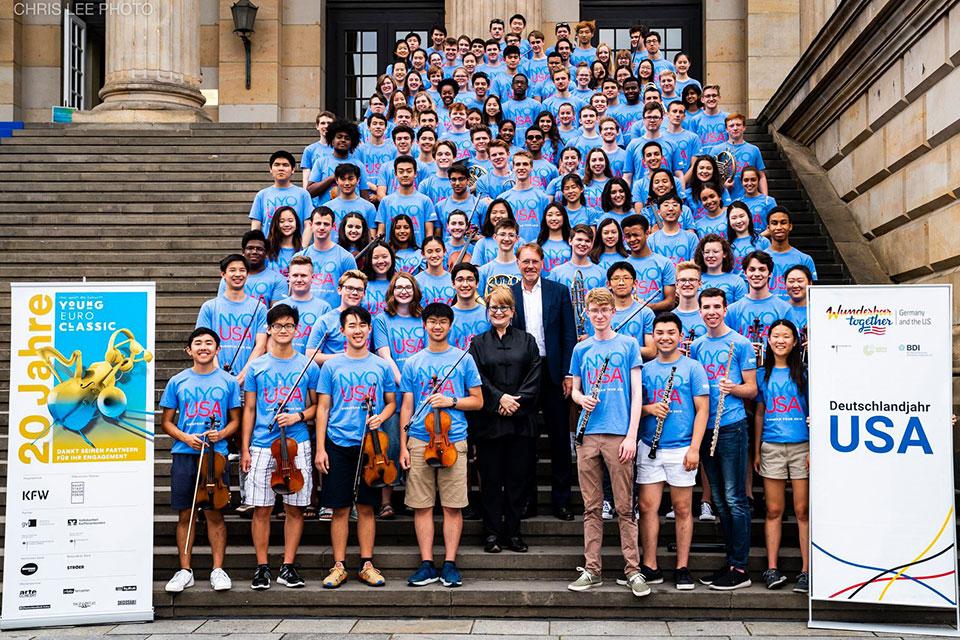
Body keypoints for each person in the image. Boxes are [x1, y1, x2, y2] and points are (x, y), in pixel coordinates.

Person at [567, 287, 649, 597]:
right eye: (594, 311)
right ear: (587, 313)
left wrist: (631, 436)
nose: (599, 316)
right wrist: (581, 397)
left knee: (625, 507)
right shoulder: (582, 348)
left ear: (613, 312)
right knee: (591, 508)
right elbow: (574, 389)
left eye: (605, 310)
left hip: (619, 434)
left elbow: (637, 394)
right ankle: (592, 569)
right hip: (588, 434)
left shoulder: (628, 344)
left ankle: (633, 570)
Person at [399, 303, 483, 587]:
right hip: (420, 440)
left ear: (450, 325)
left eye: (443, 322)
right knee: (421, 506)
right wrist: (403, 445)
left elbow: (478, 401)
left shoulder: (463, 360)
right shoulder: (412, 362)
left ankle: (449, 563)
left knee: (452, 506)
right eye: (432, 321)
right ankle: (426, 563)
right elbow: (407, 405)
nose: (437, 326)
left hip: (453, 440)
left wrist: (451, 401)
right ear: (424, 325)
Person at [315, 305, 397, 588]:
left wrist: (381, 417)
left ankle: (366, 564)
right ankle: (339, 565)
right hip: (338, 442)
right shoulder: (332, 365)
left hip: (370, 447)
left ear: (369, 329)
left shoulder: (381, 365)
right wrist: (320, 448)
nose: (358, 330)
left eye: (363, 325)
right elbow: (323, 408)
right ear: (342, 331)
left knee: (366, 506)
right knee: (338, 508)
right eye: (352, 325)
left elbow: (391, 402)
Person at [241, 303, 320, 590]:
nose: (284, 330)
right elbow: (249, 409)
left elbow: (317, 407)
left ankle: (288, 566)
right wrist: (246, 448)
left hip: (297, 443)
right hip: (263, 443)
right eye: (278, 326)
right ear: (269, 329)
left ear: (296, 329)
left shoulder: (307, 365)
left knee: (295, 507)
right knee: (261, 508)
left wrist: (298, 415)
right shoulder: (257, 366)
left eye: (289, 326)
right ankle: (262, 567)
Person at [161, 328, 242, 593]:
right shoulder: (177, 381)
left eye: (209, 343)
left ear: (218, 349)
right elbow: (166, 422)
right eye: (198, 343)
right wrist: (185, 438)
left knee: (214, 513)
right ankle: (185, 570)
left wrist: (221, 434)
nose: (203, 347)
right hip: (185, 454)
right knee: (186, 513)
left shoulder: (228, 382)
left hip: (214, 457)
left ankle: (218, 569)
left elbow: (235, 421)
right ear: (189, 350)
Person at [689, 288, 758, 590]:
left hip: (731, 425)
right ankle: (730, 561)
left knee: (734, 498)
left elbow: (753, 390)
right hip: (705, 426)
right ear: (700, 311)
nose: (712, 312)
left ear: (725, 309)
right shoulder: (698, 345)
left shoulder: (740, 343)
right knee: (717, 498)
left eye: (717, 306)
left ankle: (740, 568)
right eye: (706, 307)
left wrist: (734, 388)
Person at [637, 312, 710, 591]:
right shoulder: (644, 369)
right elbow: (634, 408)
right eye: (660, 333)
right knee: (647, 508)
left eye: (671, 333)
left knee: (682, 508)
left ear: (680, 336)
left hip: (682, 447)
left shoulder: (693, 367)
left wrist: (694, 448)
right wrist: (649, 409)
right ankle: (650, 566)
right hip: (649, 446)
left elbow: (703, 410)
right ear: (653, 336)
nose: (665, 338)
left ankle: (682, 567)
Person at [469, 287, 542, 553]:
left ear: (513, 312)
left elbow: (535, 375)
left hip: (521, 421)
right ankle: (491, 533)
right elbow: (477, 378)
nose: (498, 312)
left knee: (517, 480)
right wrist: (499, 398)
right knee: (490, 479)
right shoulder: (477, 343)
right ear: (487, 312)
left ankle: (513, 532)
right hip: (489, 422)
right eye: (493, 308)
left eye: (504, 308)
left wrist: (515, 402)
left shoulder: (528, 340)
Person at [510, 243, 578, 521]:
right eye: (525, 261)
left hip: (552, 371)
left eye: (534, 261)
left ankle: (561, 502)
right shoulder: (509, 294)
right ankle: (527, 502)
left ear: (542, 263)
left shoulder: (558, 291)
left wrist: (568, 373)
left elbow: (568, 335)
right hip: (521, 374)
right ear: (517, 263)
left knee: (560, 439)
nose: (529, 266)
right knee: (525, 441)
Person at [754, 319, 809, 594]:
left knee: (802, 510)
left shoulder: (806, 374)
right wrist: (756, 449)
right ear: (769, 340)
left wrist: (813, 448)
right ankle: (772, 568)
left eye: (786, 336)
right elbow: (761, 413)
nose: (780, 341)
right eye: (775, 336)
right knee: (774, 510)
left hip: (801, 446)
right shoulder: (762, 374)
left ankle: (806, 570)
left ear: (795, 341)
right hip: (772, 446)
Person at [196, 254, 268, 383]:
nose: (238, 274)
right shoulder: (209, 307)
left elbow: (261, 346)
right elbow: (204, 343)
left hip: (249, 380)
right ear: (223, 274)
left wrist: (243, 375)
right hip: (214, 379)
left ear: (248, 274)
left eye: (242, 270)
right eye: (232, 270)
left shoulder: (260, 308)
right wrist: (218, 374)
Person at [726, 250, 793, 355]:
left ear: (770, 273)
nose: (756, 274)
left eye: (762, 269)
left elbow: (792, 345)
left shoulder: (784, 308)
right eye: (752, 269)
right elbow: (726, 345)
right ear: (745, 273)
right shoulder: (732, 310)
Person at [296, 207, 359, 309]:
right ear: (311, 225)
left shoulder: (346, 257)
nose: (321, 227)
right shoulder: (300, 256)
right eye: (318, 223)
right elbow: (292, 291)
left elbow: (353, 291)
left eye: (326, 224)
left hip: (335, 317)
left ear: (333, 226)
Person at [306, 270, 370, 365]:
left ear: (364, 293)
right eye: (349, 288)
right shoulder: (325, 321)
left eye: (359, 289)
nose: (355, 292)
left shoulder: (368, 319)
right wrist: (347, 356)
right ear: (339, 290)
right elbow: (310, 355)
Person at [250, 150, 314, 241]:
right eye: (277, 165)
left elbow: (308, 224)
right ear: (270, 169)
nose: (281, 168)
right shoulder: (262, 195)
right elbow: (256, 226)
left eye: (285, 165)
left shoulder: (303, 194)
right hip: (270, 250)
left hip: (297, 249)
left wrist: (302, 249)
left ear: (293, 170)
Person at [274, 255, 333, 354]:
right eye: (295, 275)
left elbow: (327, 344)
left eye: (303, 275)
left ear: (312, 278)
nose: (299, 279)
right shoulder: (278, 306)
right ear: (289, 277)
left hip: (311, 367)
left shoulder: (324, 308)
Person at [377, 156, 438, 248]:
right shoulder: (386, 201)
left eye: (409, 171)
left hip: (418, 254)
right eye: (401, 171)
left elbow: (429, 234)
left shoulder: (425, 201)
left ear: (415, 173)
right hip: (392, 255)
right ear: (395, 174)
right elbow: (381, 233)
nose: (405, 175)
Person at [217, 230, 288, 307]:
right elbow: (222, 307)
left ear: (267, 254)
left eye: (259, 249)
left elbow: (277, 313)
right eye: (250, 248)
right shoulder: (230, 278)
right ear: (243, 252)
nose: (254, 252)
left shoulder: (278, 280)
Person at [622, 214, 677, 313]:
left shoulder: (665, 263)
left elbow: (670, 302)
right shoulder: (621, 267)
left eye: (636, 235)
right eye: (628, 236)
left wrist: (646, 307)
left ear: (647, 233)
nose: (632, 239)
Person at [601, 261, 656, 360]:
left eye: (626, 278)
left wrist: (622, 345)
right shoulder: (601, 313)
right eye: (616, 278)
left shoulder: (646, 313)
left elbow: (651, 351)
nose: (621, 283)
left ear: (635, 283)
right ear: (608, 284)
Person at [707, 113, 765, 201]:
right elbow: (710, 177)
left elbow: (761, 176)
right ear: (726, 129)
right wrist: (722, 187)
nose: (735, 128)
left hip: (749, 198)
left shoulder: (754, 150)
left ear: (744, 127)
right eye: (731, 126)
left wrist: (764, 198)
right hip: (724, 198)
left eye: (738, 125)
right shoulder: (716, 150)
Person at [765, 207, 818, 300]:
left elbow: (813, 293)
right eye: (774, 223)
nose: (779, 227)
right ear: (768, 228)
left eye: (783, 222)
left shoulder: (805, 259)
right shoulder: (761, 259)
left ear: (790, 226)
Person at [502, 151, 551, 244]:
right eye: (518, 164)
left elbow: (547, 226)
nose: (521, 167)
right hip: (511, 247)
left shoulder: (542, 197)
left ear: (531, 167)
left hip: (537, 247)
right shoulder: (504, 198)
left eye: (525, 164)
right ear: (513, 167)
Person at [548, 223, 607, 296]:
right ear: (570, 241)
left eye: (587, 241)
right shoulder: (556, 273)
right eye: (579, 239)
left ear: (591, 244)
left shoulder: (602, 273)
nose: (583, 244)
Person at [694, 234, 748, 304]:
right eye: (707, 252)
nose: (710, 255)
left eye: (715, 252)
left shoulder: (737, 281)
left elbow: (741, 309)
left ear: (724, 254)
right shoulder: (695, 280)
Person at [326, 163, 378, 235]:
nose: (347, 183)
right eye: (343, 179)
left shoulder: (369, 207)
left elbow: (372, 237)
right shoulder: (327, 207)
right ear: (336, 180)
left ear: (358, 180)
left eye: (351, 179)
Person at [648, 193, 699, 266]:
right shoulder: (651, 239)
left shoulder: (691, 238)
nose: (671, 208)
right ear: (658, 212)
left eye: (675, 205)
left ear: (681, 211)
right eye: (666, 205)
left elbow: (694, 264)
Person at [449, 262, 491, 350]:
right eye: (460, 280)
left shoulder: (489, 314)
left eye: (470, 279)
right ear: (453, 284)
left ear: (477, 283)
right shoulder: (447, 316)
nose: (465, 284)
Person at [477, 219, 522, 297]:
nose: (506, 239)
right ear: (495, 237)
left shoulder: (523, 268)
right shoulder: (483, 271)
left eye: (511, 235)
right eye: (502, 234)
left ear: (517, 239)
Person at [727, 200, 771, 274]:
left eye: (741, 216)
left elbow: (770, 268)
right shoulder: (727, 245)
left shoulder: (763, 242)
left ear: (749, 217)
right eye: (734, 218)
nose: (738, 221)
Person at [265, 205, 303, 277]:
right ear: (276, 224)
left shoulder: (303, 251)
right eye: (282, 221)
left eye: (290, 221)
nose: (286, 224)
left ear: (296, 224)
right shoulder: (267, 250)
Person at [416, 236, 455, 305]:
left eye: (438, 251)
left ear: (444, 252)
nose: (434, 255)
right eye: (429, 252)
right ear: (423, 254)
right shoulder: (416, 281)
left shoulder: (454, 279)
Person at [302, 111, 335, 188]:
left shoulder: (341, 148)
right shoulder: (309, 150)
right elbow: (306, 176)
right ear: (317, 126)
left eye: (329, 123)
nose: (326, 126)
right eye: (323, 123)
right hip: (316, 194)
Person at [363, 241, 396, 316]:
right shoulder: (361, 284)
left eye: (384, 257)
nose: (381, 261)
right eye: (375, 257)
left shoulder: (399, 283)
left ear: (391, 258)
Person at [537, 202, 572, 273]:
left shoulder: (572, 243)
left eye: (558, 215)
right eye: (550, 215)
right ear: (545, 218)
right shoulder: (536, 243)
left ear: (564, 217)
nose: (554, 218)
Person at [784, 264, 812, 332]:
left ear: (810, 283)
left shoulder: (818, 309)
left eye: (800, 281)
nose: (795, 285)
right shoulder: (781, 309)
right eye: (791, 281)